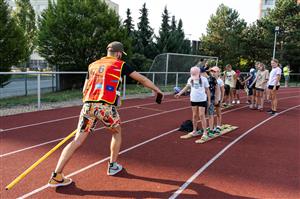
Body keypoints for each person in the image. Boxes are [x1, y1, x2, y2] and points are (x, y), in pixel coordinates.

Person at [48, 41, 163, 187]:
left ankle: (56, 174)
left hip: (88, 105)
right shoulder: (120, 64)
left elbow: (86, 88)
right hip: (105, 107)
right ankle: (112, 165)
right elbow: (142, 79)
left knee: (77, 140)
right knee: (116, 132)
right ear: (119, 53)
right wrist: (157, 90)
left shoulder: (92, 65)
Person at [175, 66, 211, 142]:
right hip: (193, 99)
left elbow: (207, 90)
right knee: (194, 115)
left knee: (201, 115)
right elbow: (187, 87)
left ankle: (205, 132)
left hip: (202, 99)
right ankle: (194, 130)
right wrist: (179, 93)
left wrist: (209, 100)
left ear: (199, 73)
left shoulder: (204, 79)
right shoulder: (190, 79)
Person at [201, 66, 219, 135]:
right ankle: (206, 128)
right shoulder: (201, 79)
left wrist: (217, 98)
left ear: (204, 72)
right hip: (202, 99)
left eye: (201, 73)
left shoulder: (212, 79)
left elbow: (217, 88)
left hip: (211, 99)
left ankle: (211, 129)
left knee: (210, 114)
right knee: (203, 114)